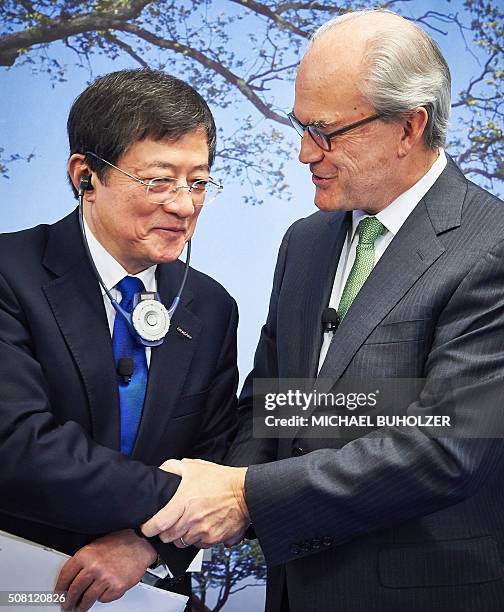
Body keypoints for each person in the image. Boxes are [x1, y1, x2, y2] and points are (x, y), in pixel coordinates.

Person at [141, 9, 504, 612]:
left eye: (327, 131)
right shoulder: (305, 241)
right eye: (299, 124)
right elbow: (272, 402)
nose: (305, 152)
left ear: (409, 127)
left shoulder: (490, 245)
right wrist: (186, 514)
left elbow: (446, 450)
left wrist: (246, 495)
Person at [0, 68, 238, 611]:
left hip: (148, 593)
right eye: (158, 181)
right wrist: (187, 501)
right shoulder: (8, 272)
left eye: (198, 182)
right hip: (23, 582)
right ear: (85, 176)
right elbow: (15, 443)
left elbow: (213, 451)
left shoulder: (213, 307)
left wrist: (145, 544)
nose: (183, 206)